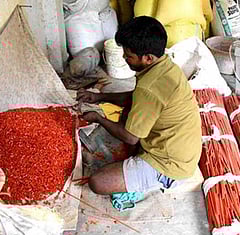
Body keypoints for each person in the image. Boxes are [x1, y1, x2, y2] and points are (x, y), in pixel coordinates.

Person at [77, 16, 202, 211]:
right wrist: (99, 98)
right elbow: (137, 97)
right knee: (127, 113)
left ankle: (152, 181)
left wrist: (98, 119)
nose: (125, 59)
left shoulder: (149, 87)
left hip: (170, 165)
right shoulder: (166, 66)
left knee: (98, 182)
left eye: (129, 56)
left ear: (148, 58)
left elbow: (130, 137)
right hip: (182, 149)